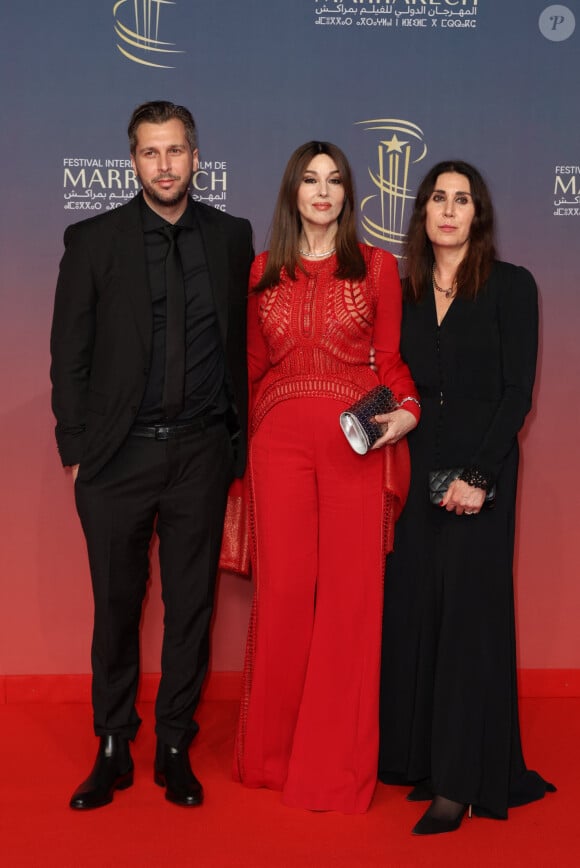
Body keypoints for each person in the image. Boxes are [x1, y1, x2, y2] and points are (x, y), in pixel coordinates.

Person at [50, 100, 253, 809]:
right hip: (116, 461)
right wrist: (78, 453)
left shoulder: (232, 238)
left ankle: (174, 743)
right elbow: (67, 356)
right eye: (150, 152)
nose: (164, 165)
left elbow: (241, 347)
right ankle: (112, 741)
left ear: (197, 157)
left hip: (201, 453)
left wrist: (237, 447)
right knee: (117, 604)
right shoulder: (94, 241)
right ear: (132, 160)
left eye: (176, 151)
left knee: (191, 606)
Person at [232, 141, 420, 813]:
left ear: (348, 194)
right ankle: (273, 758)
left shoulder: (377, 266)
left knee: (350, 601)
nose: (321, 190)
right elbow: (253, 370)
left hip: (355, 446)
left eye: (334, 179)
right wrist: (236, 458)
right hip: (276, 447)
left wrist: (407, 412)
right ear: (292, 193)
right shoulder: (261, 270)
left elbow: (391, 362)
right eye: (309, 180)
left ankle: (333, 768)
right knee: (284, 595)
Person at [377, 160, 555, 834]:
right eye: (437, 199)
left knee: (469, 626)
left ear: (478, 214)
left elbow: (516, 394)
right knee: (418, 614)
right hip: (412, 479)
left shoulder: (512, 287)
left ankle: (460, 782)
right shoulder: (403, 293)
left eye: (462, 199)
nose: (449, 210)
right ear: (421, 212)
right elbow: (390, 382)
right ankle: (420, 763)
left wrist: (478, 479)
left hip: (483, 478)